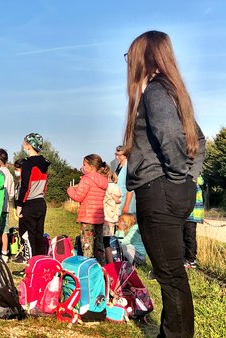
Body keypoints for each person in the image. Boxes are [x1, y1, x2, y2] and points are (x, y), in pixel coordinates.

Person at [123, 30, 205, 337]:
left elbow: (171, 135)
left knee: (170, 277)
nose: (128, 62)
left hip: (159, 191)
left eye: (130, 56)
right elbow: (201, 140)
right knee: (171, 275)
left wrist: (176, 177)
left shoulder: (156, 90)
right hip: (170, 189)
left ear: (144, 56)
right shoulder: (174, 91)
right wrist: (189, 178)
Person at [67, 154, 110, 265]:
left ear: (91, 166)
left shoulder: (86, 179)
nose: (83, 166)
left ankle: (88, 269)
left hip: (87, 217)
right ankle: (101, 268)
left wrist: (70, 189)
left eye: (84, 164)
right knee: (99, 246)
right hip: (99, 218)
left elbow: (78, 197)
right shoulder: (103, 180)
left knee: (87, 246)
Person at [15, 133, 50, 262]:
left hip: (29, 203)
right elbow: (45, 184)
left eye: (24, 143)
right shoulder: (44, 163)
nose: (23, 145)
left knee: (28, 235)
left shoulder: (28, 164)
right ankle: (41, 262)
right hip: (41, 202)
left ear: (29, 145)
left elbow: (25, 185)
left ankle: (31, 264)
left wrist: (19, 205)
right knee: (38, 235)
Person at [0, 149, 14, 263]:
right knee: (4, 232)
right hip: (6, 208)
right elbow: (12, 194)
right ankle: (5, 254)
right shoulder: (10, 174)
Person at [184, 176, 204, 269]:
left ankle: (191, 260)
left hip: (192, 215)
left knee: (189, 237)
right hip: (185, 214)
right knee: (184, 237)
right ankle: (185, 259)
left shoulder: (194, 180)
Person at [103, 171, 122, 263]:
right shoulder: (117, 187)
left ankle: (105, 262)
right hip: (113, 218)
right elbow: (118, 200)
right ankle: (111, 263)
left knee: (104, 242)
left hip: (106, 218)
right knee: (108, 241)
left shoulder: (107, 188)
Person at [114, 145, 136, 215]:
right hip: (119, 200)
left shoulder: (129, 168)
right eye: (116, 155)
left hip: (126, 201)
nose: (117, 157)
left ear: (126, 155)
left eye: (120, 155)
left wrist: (126, 205)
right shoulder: (118, 166)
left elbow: (130, 189)